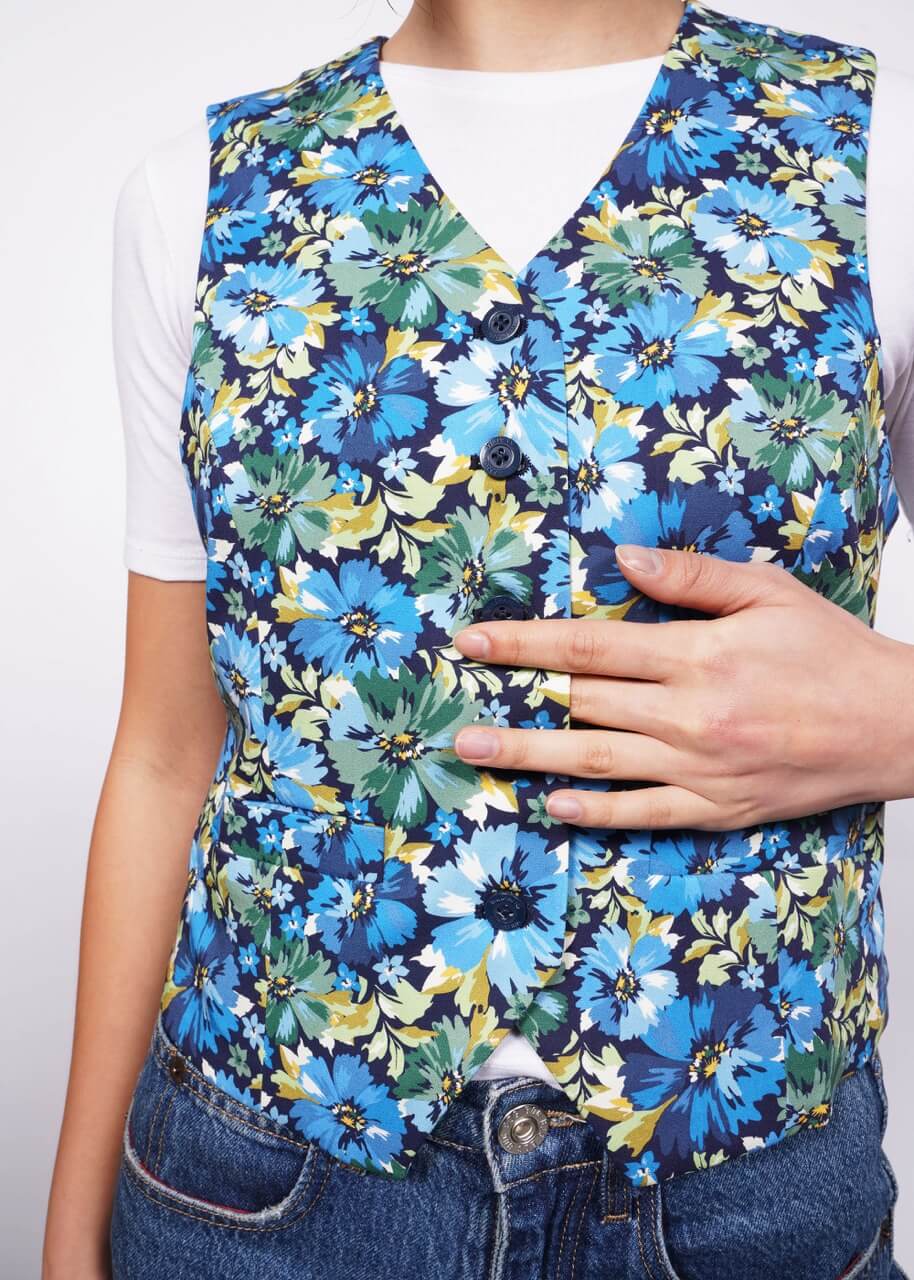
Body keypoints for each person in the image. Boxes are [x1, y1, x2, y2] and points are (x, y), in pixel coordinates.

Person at [42, 0, 914, 1276]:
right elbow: (169, 751)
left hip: (745, 1202)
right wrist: (68, 1238)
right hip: (261, 1193)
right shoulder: (200, 194)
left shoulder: (874, 153)